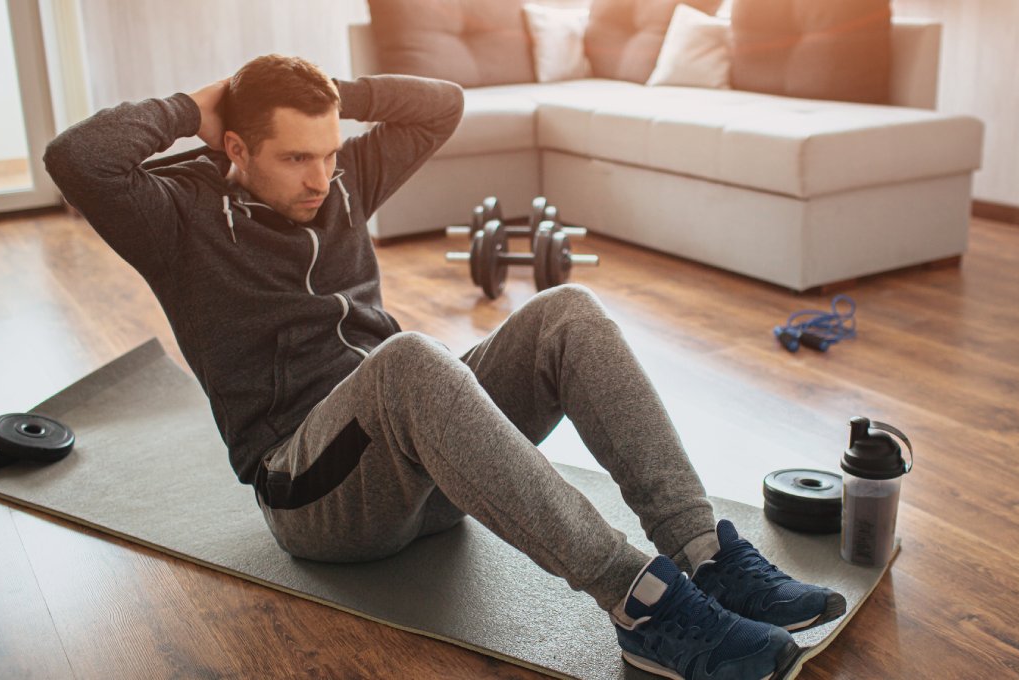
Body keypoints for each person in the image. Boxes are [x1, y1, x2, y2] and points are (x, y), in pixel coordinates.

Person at [44, 54, 845, 680]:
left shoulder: (341, 180)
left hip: (423, 467)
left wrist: (331, 90)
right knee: (412, 361)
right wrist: (200, 100)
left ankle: (704, 553)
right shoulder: (176, 214)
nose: (321, 179)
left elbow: (442, 104)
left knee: (566, 312)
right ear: (234, 146)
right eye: (294, 158)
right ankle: (642, 606)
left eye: (328, 153)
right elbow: (76, 156)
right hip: (314, 496)